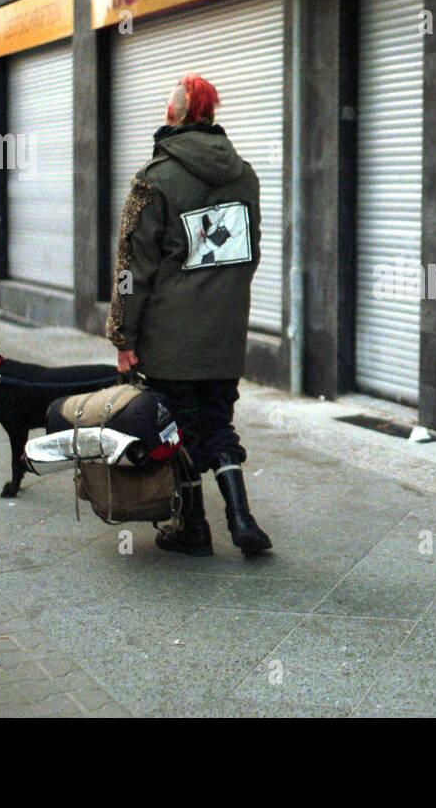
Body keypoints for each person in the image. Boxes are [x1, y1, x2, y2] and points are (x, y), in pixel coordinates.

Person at [106, 73, 272, 557]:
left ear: (174, 116)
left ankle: (192, 527)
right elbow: (251, 253)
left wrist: (123, 335)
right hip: (224, 333)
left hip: (169, 335)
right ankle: (241, 518)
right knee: (219, 422)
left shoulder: (154, 179)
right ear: (210, 116)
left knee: (176, 428)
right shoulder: (245, 174)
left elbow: (131, 268)